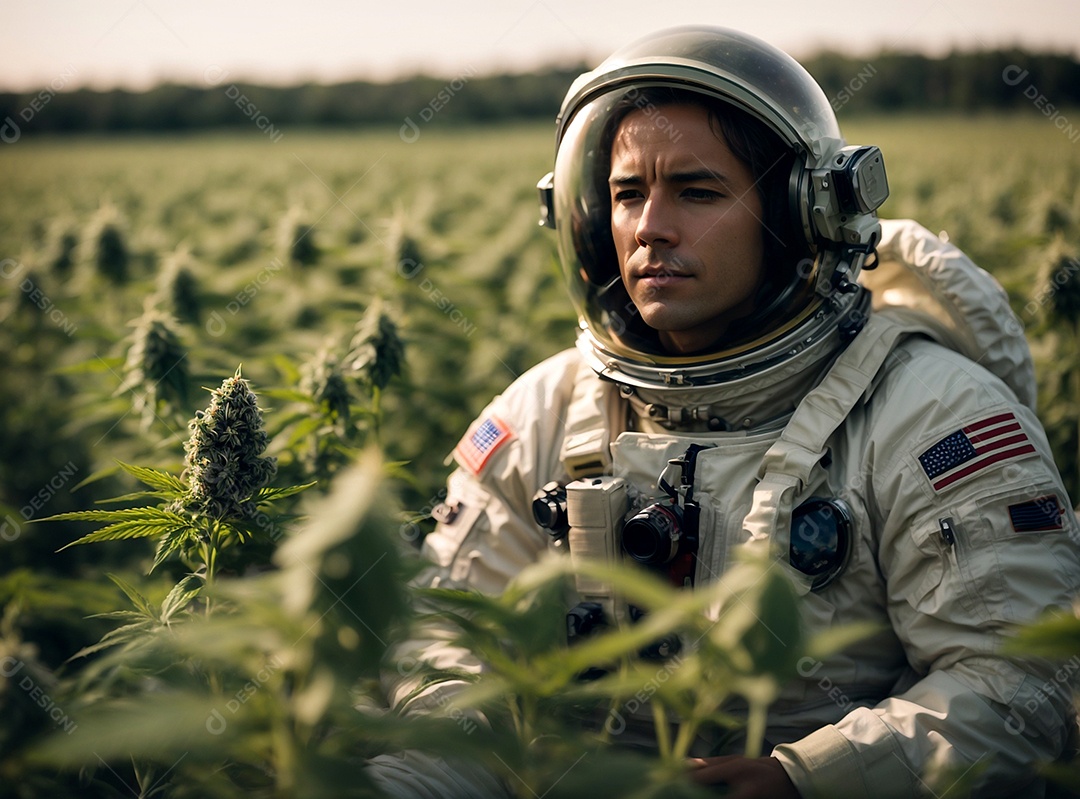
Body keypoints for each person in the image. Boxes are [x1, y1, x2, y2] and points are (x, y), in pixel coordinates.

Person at [371, 26, 1080, 798]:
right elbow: (441, 641)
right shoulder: (543, 412)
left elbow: (1024, 682)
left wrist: (810, 780)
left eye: (697, 191)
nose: (651, 228)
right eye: (626, 193)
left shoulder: (930, 415)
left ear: (799, 211)